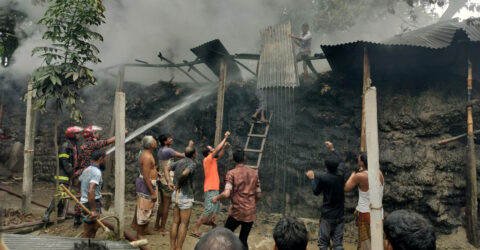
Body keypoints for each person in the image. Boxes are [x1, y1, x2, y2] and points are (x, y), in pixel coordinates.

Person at [212, 149, 261, 250]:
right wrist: (252, 203)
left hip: (237, 212)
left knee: (225, 236)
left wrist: (216, 197)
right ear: (244, 158)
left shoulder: (231, 173)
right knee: (243, 240)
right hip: (250, 212)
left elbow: (226, 194)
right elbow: (259, 194)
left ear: (234, 159)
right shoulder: (254, 173)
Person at [74, 125, 119, 227]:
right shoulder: (92, 144)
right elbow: (107, 142)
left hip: (84, 172)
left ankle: (78, 220)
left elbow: (78, 161)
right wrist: (121, 134)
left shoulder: (83, 145)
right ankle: (91, 216)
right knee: (91, 193)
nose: (98, 135)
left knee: (81, 194)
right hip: (91, 172)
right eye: (97, 133)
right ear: (92, 134)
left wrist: (78, 171)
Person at [191, 131, 230, 237]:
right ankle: (195, 229)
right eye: (211, 148)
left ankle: (213, 232)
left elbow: (220, 155)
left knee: (215, 211)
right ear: (209, 153)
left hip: (214, 188)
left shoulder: (212, 159)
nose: (213, 148)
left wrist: (224, 147)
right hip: (210, 188)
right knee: (209, 209)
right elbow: (217, 150)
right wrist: (225, 138)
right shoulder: (207, 159)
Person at [155, 133, 194, 235]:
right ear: (165, 141)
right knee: (166, 206)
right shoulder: (168, 150)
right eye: (169, 139)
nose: (171, 139)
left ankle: (156, 225)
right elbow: (185, 155)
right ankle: (162, 228)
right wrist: (190, 146)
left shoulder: (160, 150)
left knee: (162, 204)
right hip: (167, 181)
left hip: (161, 179)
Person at [344, 152, 384, 250]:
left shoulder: (359, 176)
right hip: (379, 213)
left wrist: (353, 175)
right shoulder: (379, 173)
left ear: (362, 162)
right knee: (377, 241)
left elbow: (346, 188)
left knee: (365, 244)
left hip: (365, 213)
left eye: (359, 160)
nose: (357, 161)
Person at [43, 126, 83, 222]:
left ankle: (61, 214)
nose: (79, 135)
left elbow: (76, 161)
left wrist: (78, 170)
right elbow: (64, 162)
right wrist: (72, 173)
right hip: (63, 175)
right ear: (72, 135)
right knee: (59, 195)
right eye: (77, 133)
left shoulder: (75, 146)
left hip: (69, 175)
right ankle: (46, 214)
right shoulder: (65, 146)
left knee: (64, 196)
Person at [306, 154, 344, 250]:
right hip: (340, 215)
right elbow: (341, 163)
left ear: (325, 166)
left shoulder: (323, 178)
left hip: (327, 216)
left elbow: (316, 191)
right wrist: (332, 150)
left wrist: (312, 178)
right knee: (338, 244)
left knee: (323, 244)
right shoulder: (341, 176)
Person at [164, 145, 197, 250]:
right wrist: (178, 183)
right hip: (185, 195)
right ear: (194, 154)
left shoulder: (179, 162)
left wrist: (169, 181)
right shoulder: (192, 163)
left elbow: (166, 167)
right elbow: (185, 173)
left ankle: (172, 247)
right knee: (184, 223)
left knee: (175, 222)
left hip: (176, 194)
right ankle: (179, 248)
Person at [79, 149, 107, 238]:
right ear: (101, 159)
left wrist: (98, 198)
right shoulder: (97, 173)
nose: (106, 161)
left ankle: (89, 245)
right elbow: (91, 190)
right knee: (89, 230)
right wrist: (93, 210)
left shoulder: (87, 170)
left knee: (93, 227)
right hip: (90, 203)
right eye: (105, 159)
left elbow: (78, 182)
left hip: (88, 201)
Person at [135, 136, 159, 239]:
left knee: (150, 208)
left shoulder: (148, 154)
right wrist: (152, 192)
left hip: (150, 183)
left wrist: (156, 173)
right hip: (147, 184)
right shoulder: (147, 157)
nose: (156, 142)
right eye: (154, 141)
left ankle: (145, 229)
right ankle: (139, 234)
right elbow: (145, 176)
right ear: (151, 145)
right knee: (144, 209)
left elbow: (149, 170)